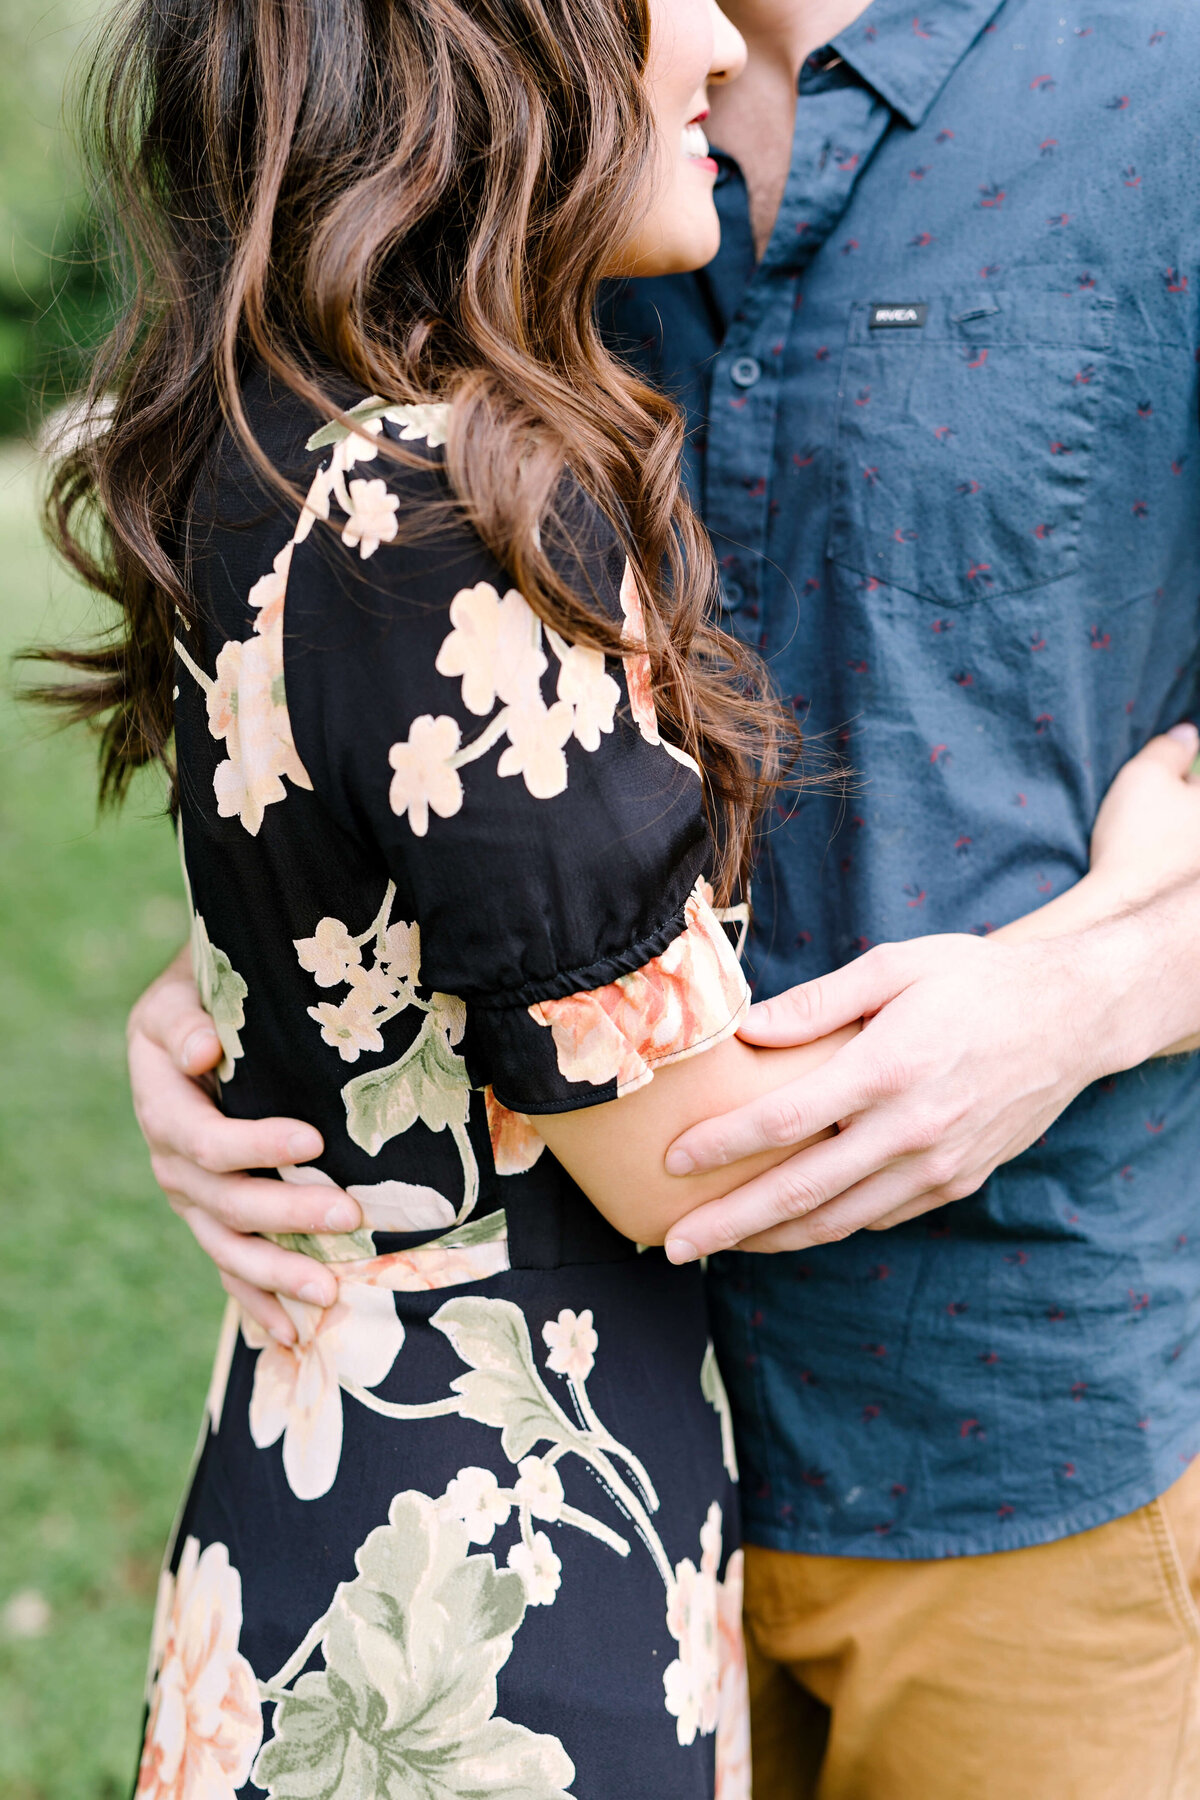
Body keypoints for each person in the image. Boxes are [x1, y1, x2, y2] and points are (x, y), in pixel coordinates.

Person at [117, 0, 1200, 1795]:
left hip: (1011, 1420)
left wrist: (1113, 978)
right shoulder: (524, 211)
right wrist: (267, 979)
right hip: (552, 1545)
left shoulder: (1156, 90)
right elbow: (427, 749)